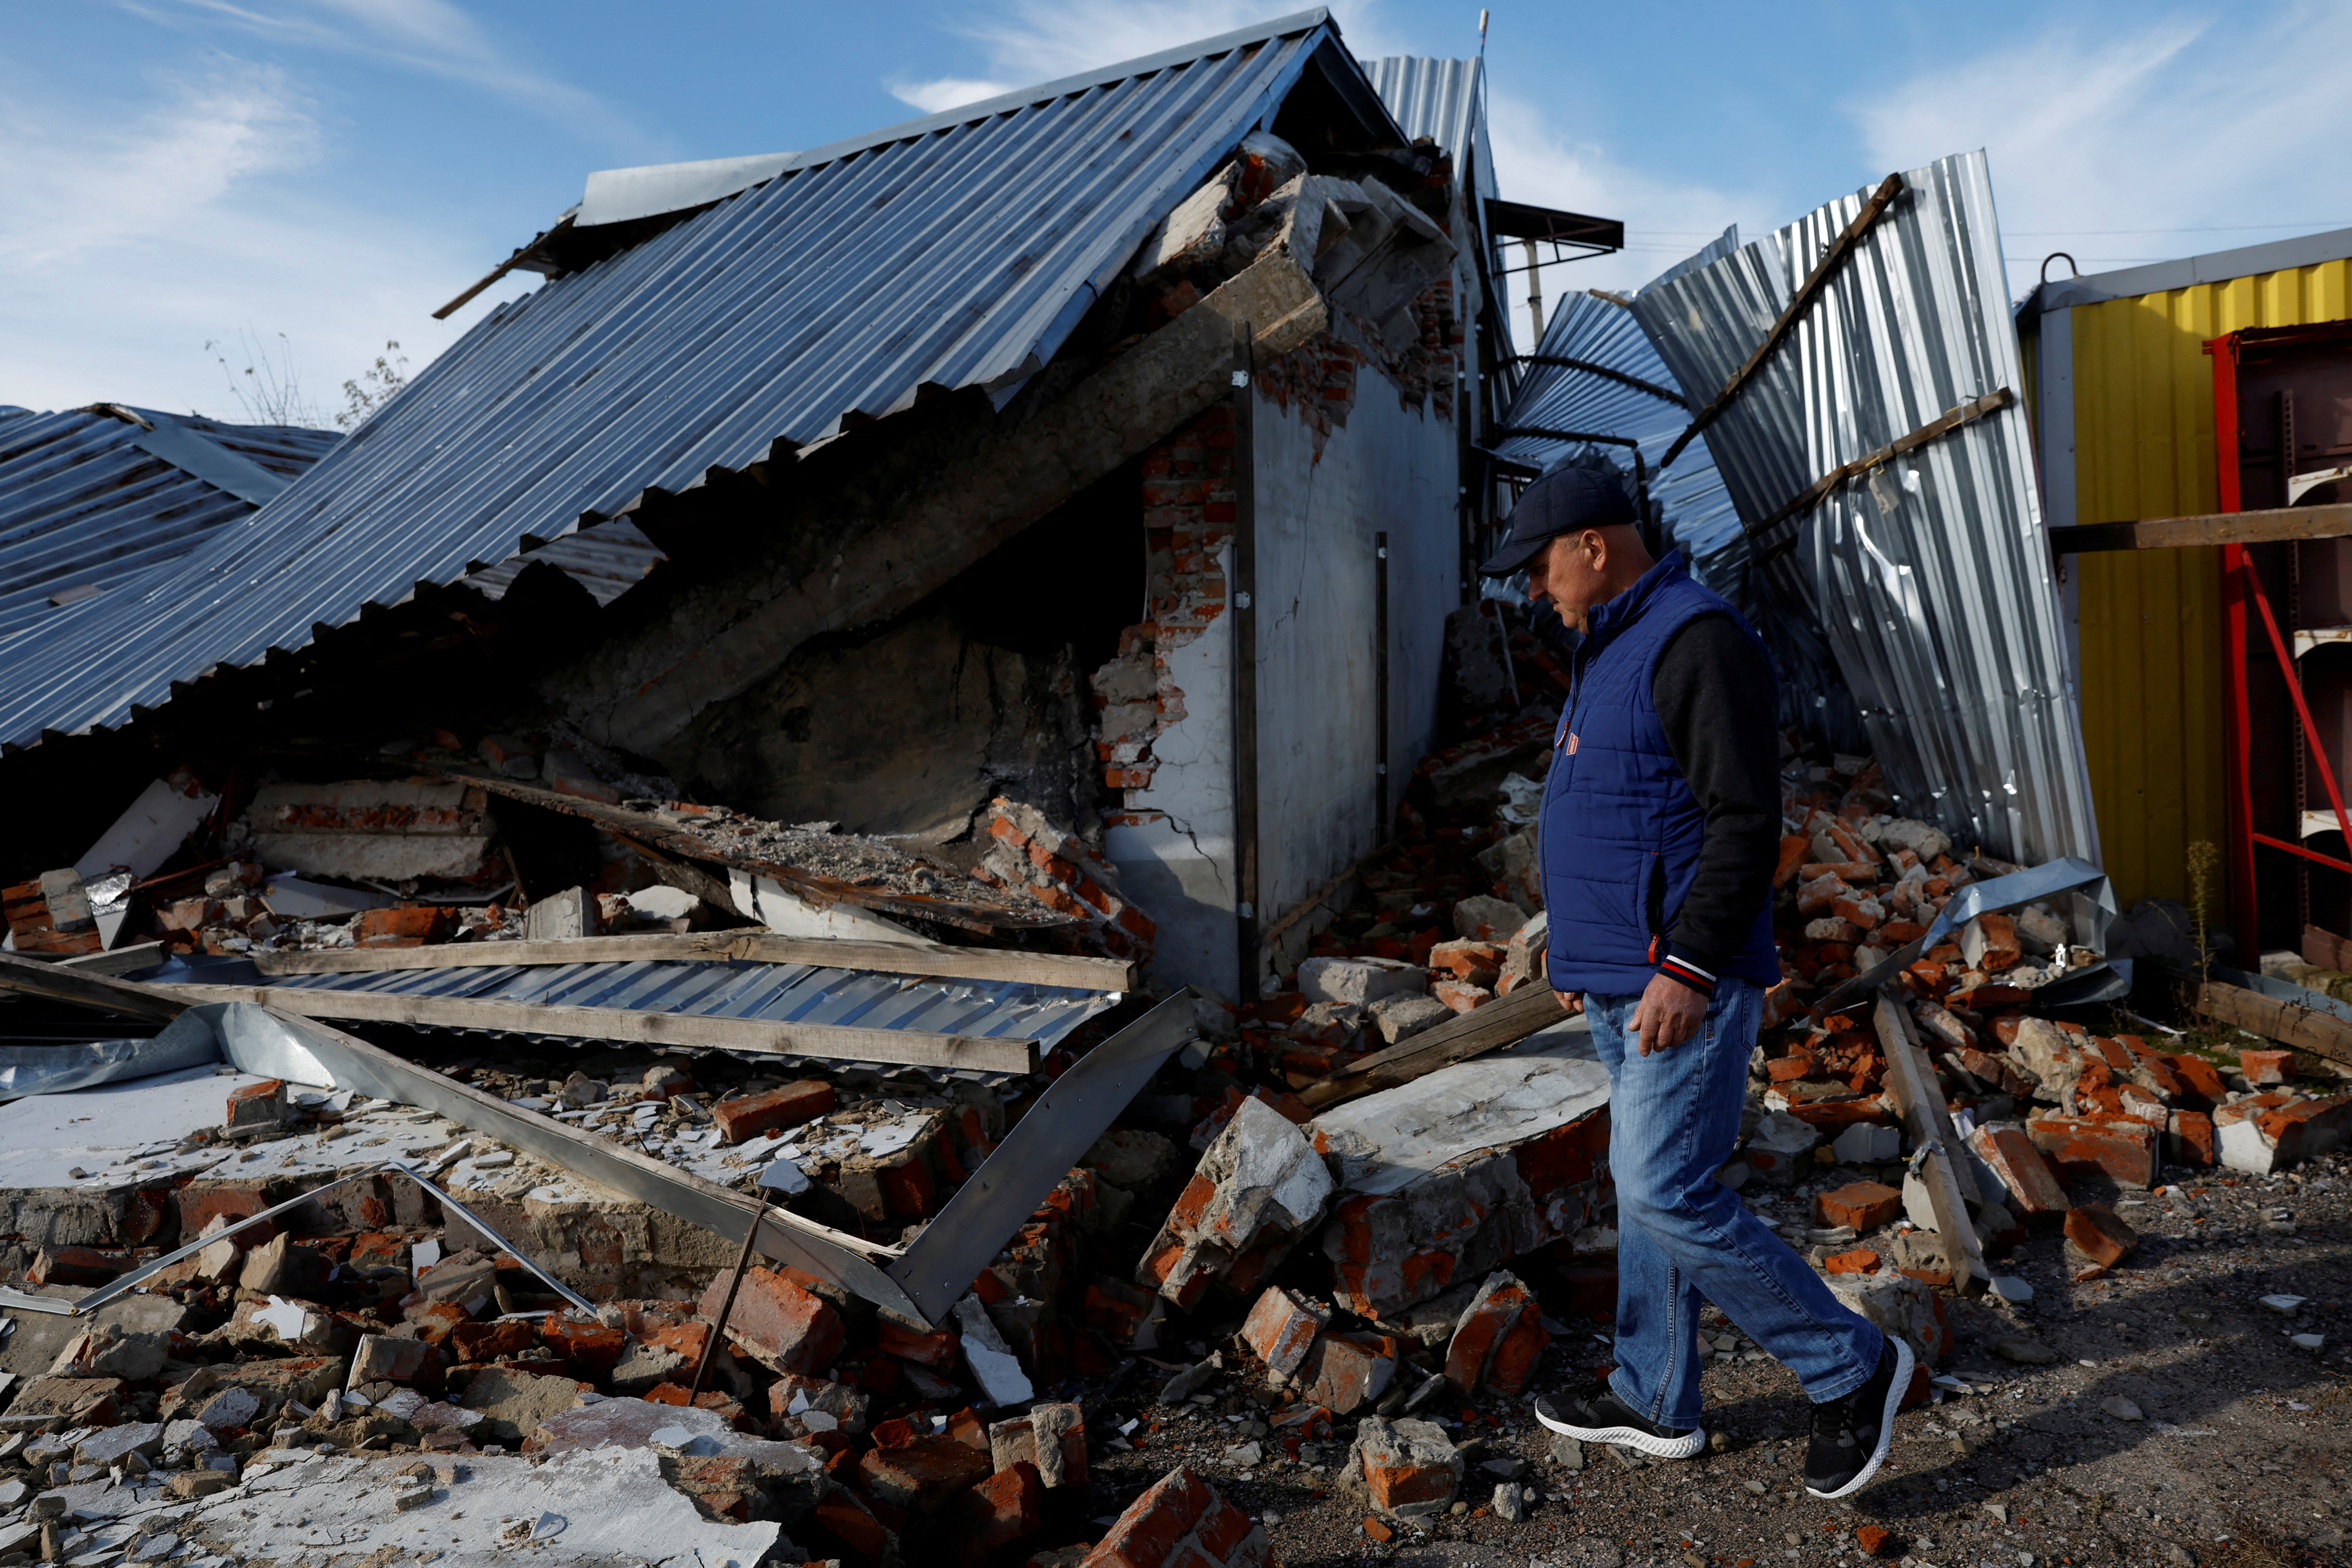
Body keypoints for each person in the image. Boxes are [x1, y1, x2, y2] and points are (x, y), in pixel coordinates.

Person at [1479, 466, 1911, 1502]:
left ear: (1593, 546)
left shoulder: (1697, 639)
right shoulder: (1616, 642)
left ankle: (1851, 1368)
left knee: (1664, 1187)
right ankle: (1653, 1395)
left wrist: (1688, 963)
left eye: (1540, 569)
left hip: (1679, 983)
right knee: (1644, 1193)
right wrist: (1579, 948)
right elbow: (1628, 803)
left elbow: (1742, 823)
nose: (1536, 592)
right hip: (1619, 977)